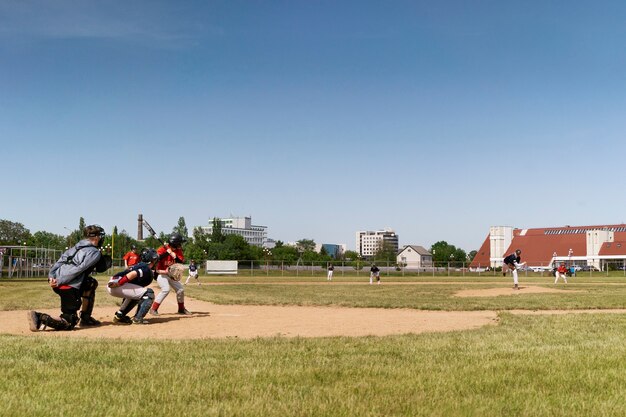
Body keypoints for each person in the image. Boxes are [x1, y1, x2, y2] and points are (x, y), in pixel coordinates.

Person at [28, 225, 108, 331]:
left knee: (90, 283)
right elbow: (80, 269)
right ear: (97, 237)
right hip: (68, 285)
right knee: (69, 321)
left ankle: (85, 318)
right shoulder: (94, 252)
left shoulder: (74, 248)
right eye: (100, 236)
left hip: (59, 282)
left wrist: (51, 278)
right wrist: (60, 281)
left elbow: (59, 262)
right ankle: (39, 317)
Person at [107, 248, 159, 324]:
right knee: (149, 293)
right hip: (117, 284)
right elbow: (133, 274)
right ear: (152, 260)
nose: (156, 262)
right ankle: (138, 319)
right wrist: (118, 283)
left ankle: (119, 315)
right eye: (155, 260)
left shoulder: (141, 265)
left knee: (137, 294)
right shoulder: (145, 268)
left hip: (116, 282)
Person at [149, 233, 192, 316]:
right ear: (175, 244)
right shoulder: (162, 249)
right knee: (166, 289)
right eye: (179, 243)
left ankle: (181, 309)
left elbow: (181, 262)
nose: (180, 245)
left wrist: (174, 256)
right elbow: (155, 259)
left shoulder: (178, 251)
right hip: (160, 273)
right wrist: (167, 253)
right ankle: (153, 309)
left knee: (180, 290)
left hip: (171, 274)